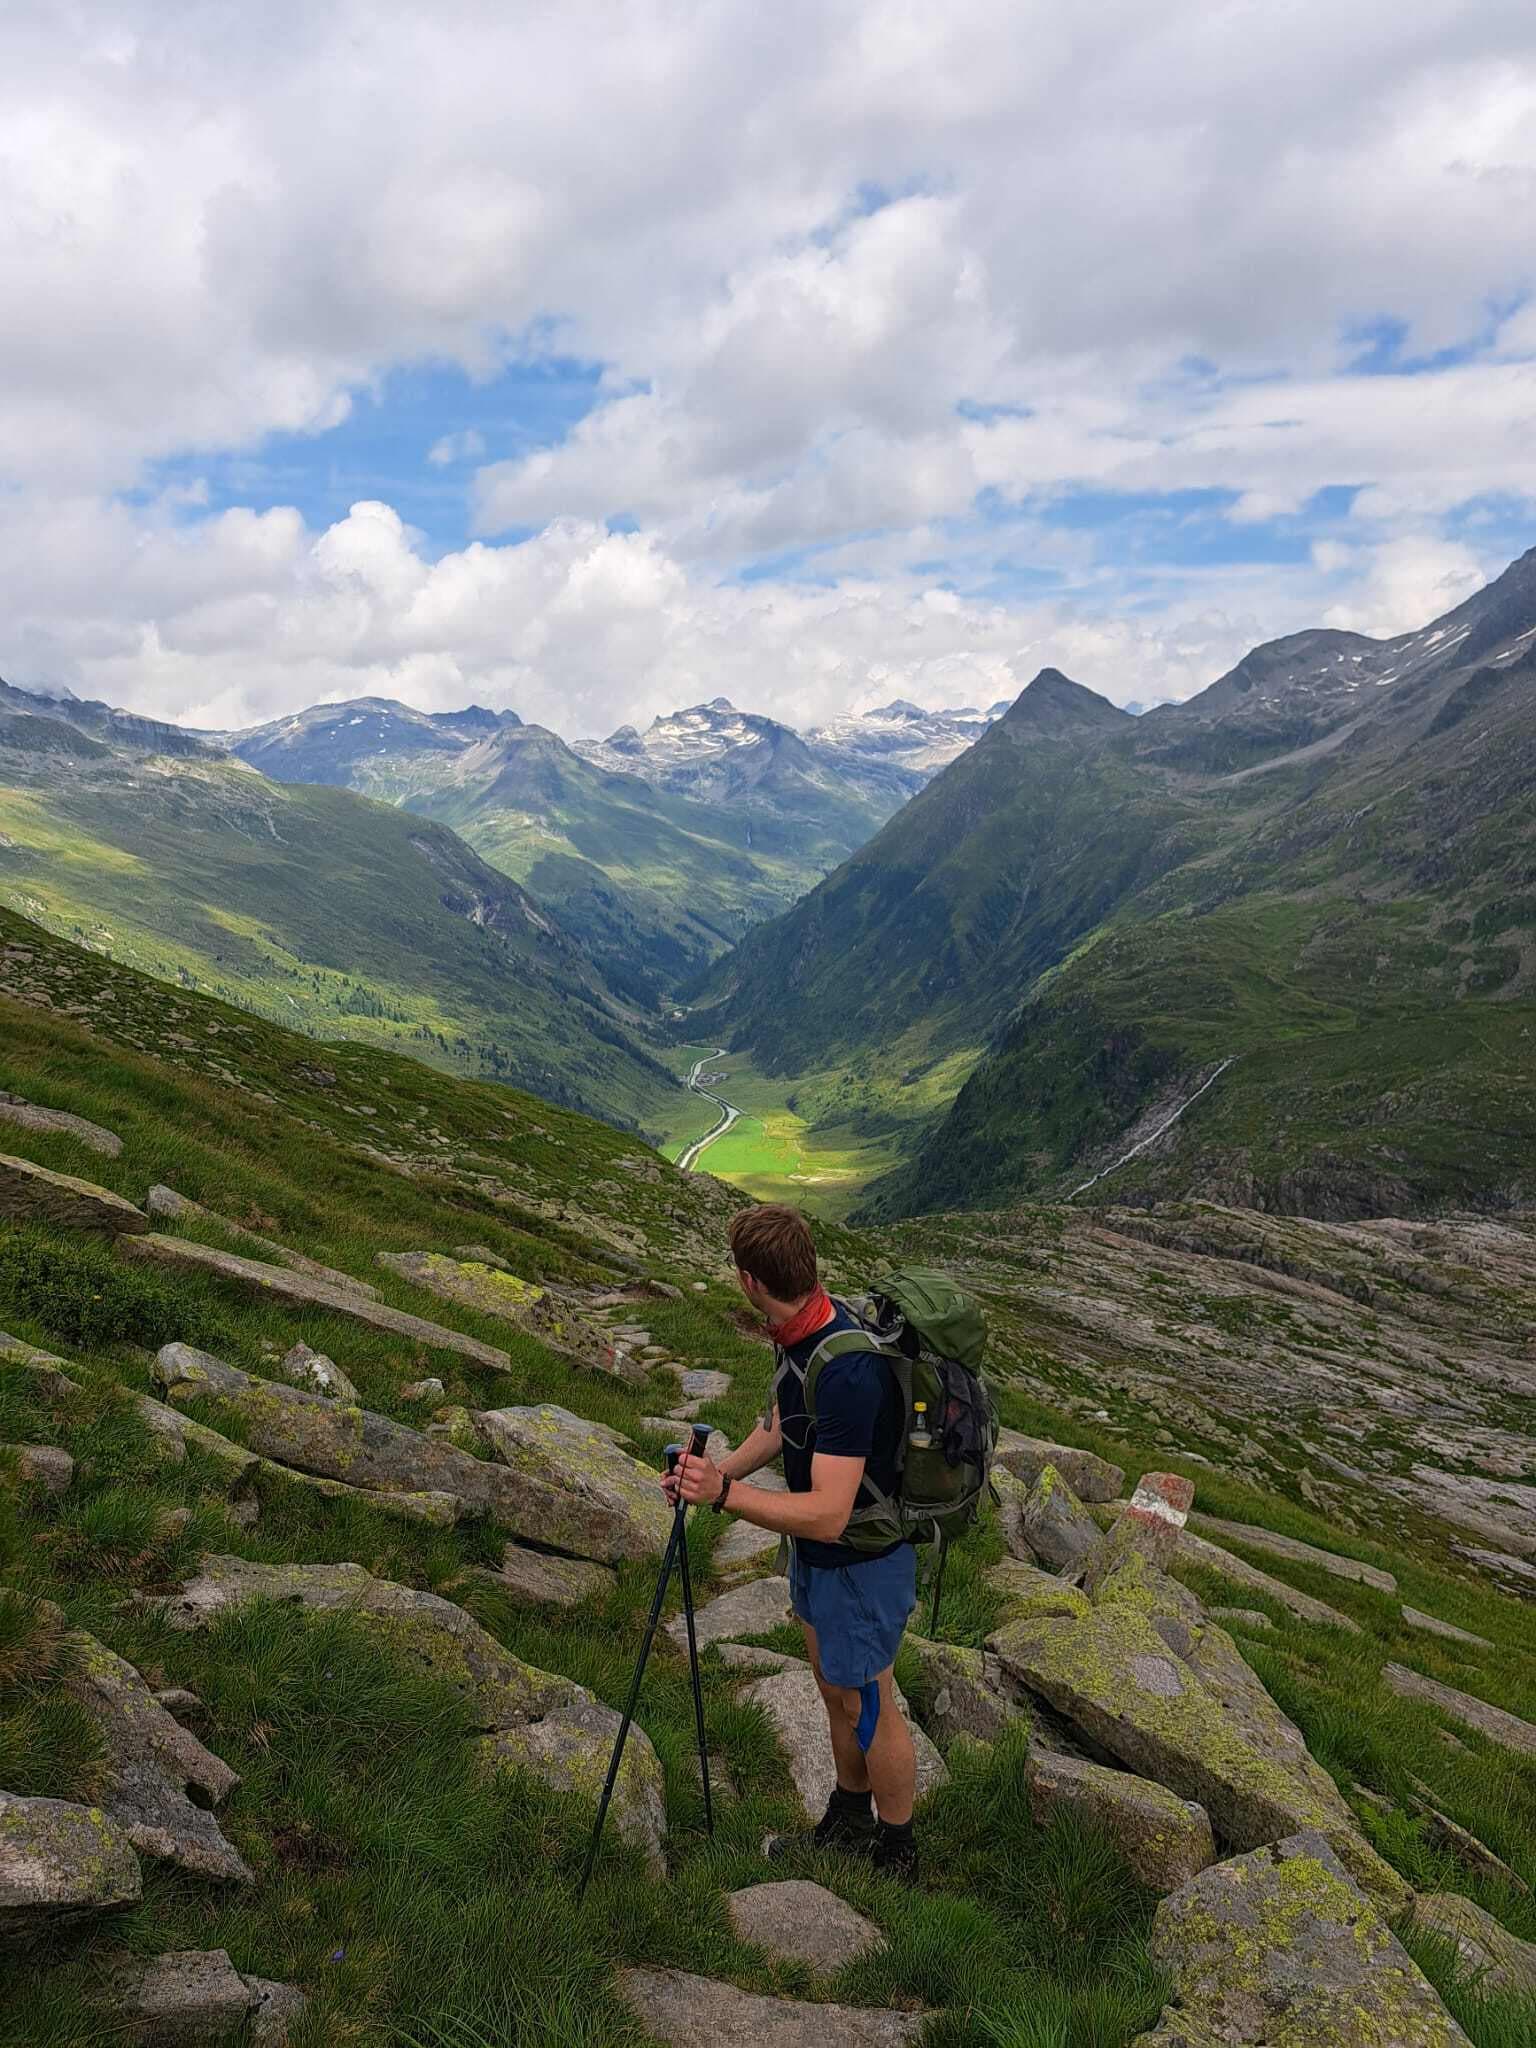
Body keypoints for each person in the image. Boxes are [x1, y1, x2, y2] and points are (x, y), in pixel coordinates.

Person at [666, 1203, 919, 1881]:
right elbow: (782, 1424)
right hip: (825, 1559)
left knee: (870, 1701)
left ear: (750, 1279)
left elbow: (832, 1513)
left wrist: (723, 1497)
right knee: (837, 1692)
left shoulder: (845, 1369)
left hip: (862, 1560)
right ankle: (848, 1817)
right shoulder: (798, 1330)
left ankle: (898, 1852)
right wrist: (717, 1471)